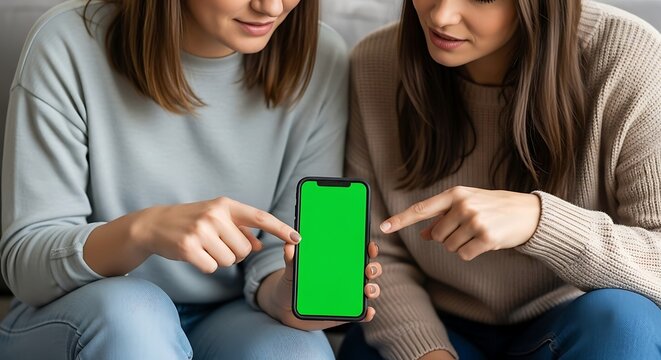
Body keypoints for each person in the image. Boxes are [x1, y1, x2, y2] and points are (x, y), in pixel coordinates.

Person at [0, 0, 382, 358]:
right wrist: (142, 231)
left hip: (229, 315)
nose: (271, 6)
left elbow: (272, 253)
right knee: (132, 317)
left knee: (297, 350)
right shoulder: (68, 41)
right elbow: (27, 265)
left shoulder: (321, 57)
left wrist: (289, 293)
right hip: (85, 310)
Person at [341, 0, 661, 359]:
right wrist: (425, 351)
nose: (441, 16)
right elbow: (373, 250)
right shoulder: (373, 63)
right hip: (433, 324)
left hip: (572, 323)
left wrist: (540, 221)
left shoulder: (628, 56)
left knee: (626, 322)